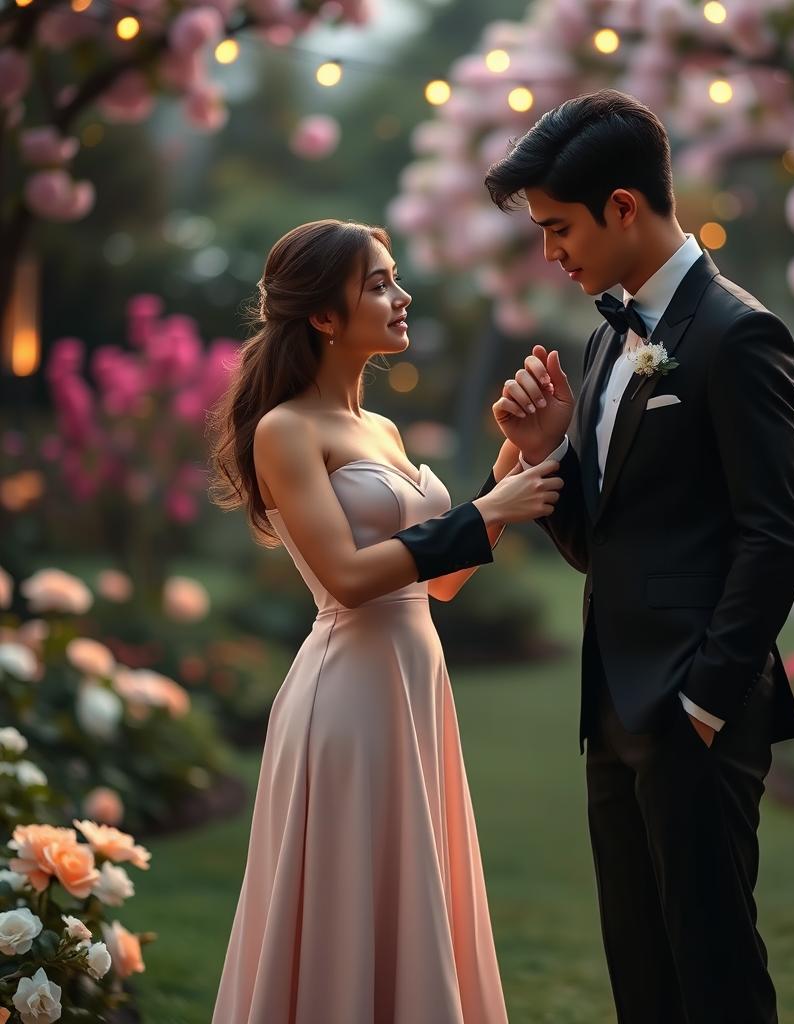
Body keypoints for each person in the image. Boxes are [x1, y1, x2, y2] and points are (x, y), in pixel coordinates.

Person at [481, 90, 794, 1023]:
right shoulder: (604, 339)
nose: (551, 252)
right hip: (611, 708)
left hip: (693, 713)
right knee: (641, 973)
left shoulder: (740, 334)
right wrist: (550, 451)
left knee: (713, 975)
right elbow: (602, 542)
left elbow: (778, 534)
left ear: (623, 206)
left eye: (558, 227)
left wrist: (705, 701)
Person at [207, 218, 561, 1024]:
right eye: (378, 283)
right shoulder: (284, 430)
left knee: (410, 898)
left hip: (415, 685)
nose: (401, 297)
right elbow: (348, 577)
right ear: (324, 316)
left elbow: (444, 584)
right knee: (343, 904)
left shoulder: (384, 430)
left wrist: (509, 464)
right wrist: (484, 511)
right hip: (348, 698)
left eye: (394, 277)